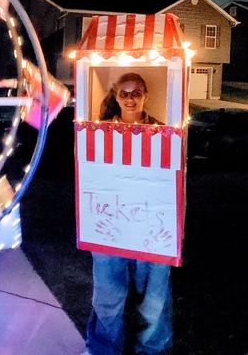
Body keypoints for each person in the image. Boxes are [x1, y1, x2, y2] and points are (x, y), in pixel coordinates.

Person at [85, 72, 172, 355]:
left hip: (152, 228)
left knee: (155, 297)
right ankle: (102, 349)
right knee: (107, 296)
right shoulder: (98, 133)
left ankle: (152, 349)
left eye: (136, 92)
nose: (131, 99)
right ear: (115, 96)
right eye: (124, 93)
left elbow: (169, 184)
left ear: (146, 94)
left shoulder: (164, 133)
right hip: (110, 226)